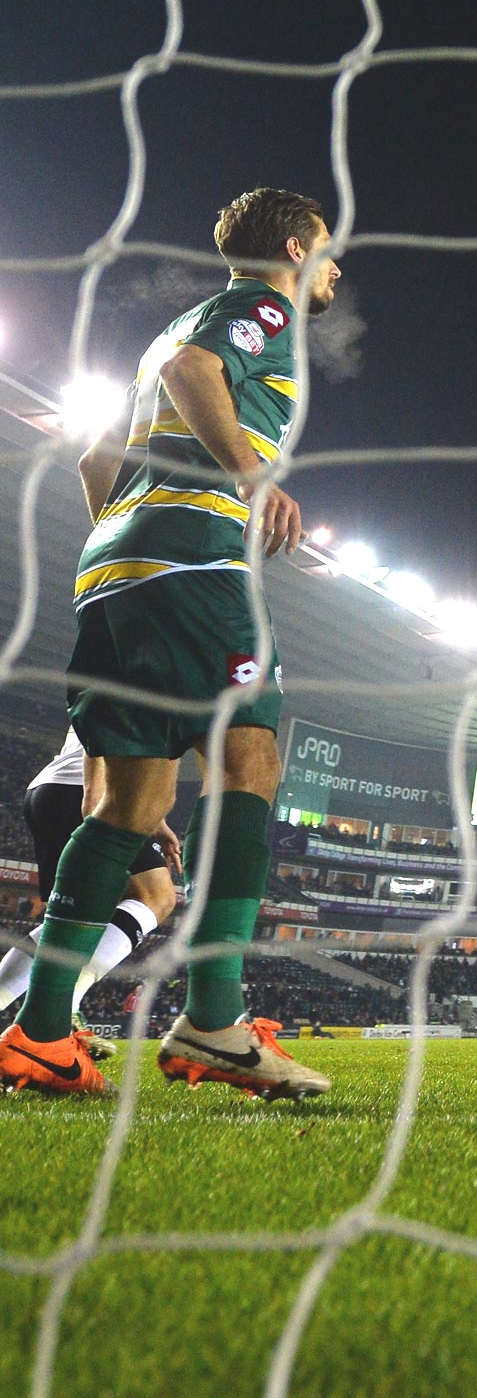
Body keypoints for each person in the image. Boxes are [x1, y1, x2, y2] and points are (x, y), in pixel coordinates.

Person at [0, 189, 339, 1100]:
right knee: (251, 759)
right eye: (330, 254)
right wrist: (251, 474)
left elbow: (92, 459)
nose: (334, 273)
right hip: (193, 563)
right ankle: (215, 1020)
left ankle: (38, 1034)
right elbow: (196, 366)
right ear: (297, 248)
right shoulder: (257, 309)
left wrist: (131, 540)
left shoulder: (183, 324)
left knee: (130, 805)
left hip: (116, 568)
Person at [1, 727, 184, 1060]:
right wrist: (94, 793)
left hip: (52, 790)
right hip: (94, 793)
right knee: (157, 897)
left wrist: (154, 819)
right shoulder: (176, 678)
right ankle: (66, 1007)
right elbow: (104, 718)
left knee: (78, 917)